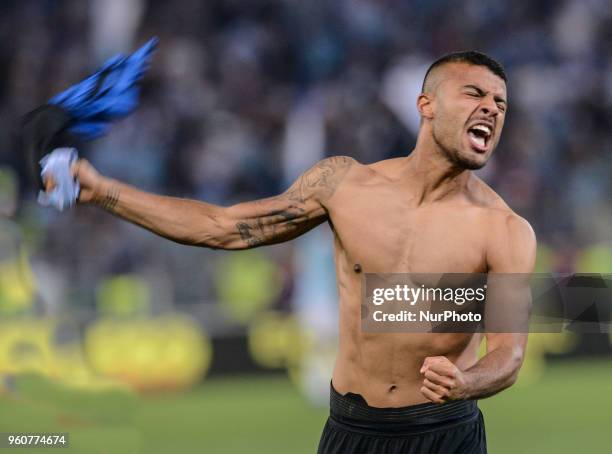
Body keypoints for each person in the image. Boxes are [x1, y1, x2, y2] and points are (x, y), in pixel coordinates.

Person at [45, 51, 536, 453]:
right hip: (350, 432)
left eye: (501, 102)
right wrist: (102, 191)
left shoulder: (505, 231)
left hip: (445, 435)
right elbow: (224, 228)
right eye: (474, 93)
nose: (492, 107)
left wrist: (465, 383)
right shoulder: (344, 184)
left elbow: (509, 354)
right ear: (426, 104)